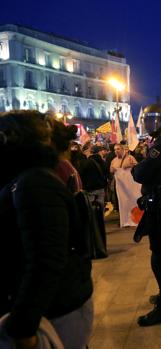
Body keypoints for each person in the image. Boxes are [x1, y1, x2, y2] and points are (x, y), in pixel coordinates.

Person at [0, 111, 93, 348]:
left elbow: (47, 259)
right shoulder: (27, 178)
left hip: (55, 310)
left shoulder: (35, 182)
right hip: (50, 306)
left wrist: (22, 326)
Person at [131, 104, 161, 327]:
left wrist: (136, 167)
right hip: (160, 203)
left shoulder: (160, 146)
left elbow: (140, 173)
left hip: (160, 205)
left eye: (150, 119)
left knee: (159, 255)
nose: (147, 123)